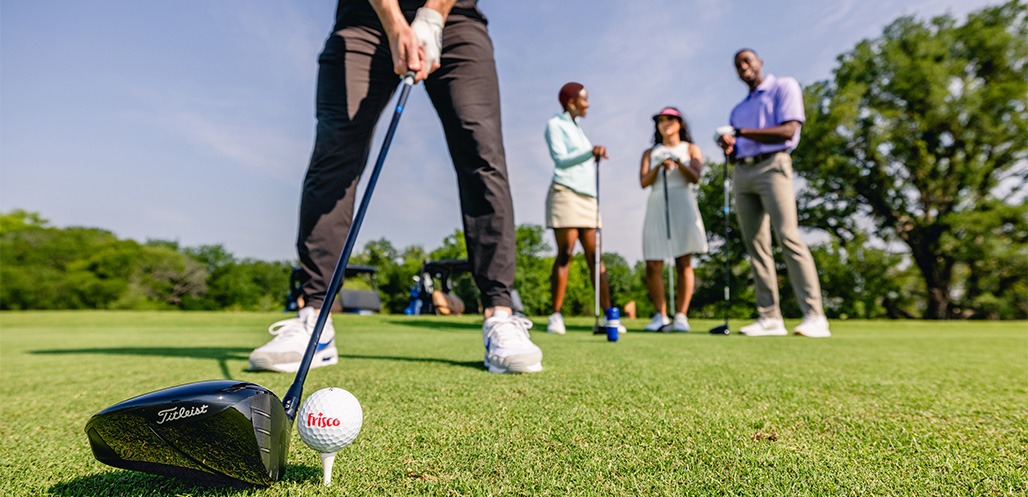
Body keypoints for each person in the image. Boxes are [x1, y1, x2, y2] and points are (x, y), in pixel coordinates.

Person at [249, 0, 544, 374]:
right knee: (334, 152)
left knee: (482, 154)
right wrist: (394, 22)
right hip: (365, 19)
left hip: (456, 19)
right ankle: (314, 318)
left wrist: (433, 13)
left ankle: (500, 313)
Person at [715, 48, 831, 338]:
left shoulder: (784, 86)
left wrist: (741, 133)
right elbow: (735, 150)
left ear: (759, 63)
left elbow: (788, 131)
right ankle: (769, 317)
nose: (743, 67)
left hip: (774, 165)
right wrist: (729, 147)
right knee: (756, 246)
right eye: (738, 64)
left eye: (747, 60)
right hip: (742, 172)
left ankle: (815, 316)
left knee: (788, 236)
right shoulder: (738, 109)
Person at [543, 82, 623, 336]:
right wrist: (590, 152)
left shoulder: (579, 130)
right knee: (566, 252)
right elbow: (560, 160)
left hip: (589, 198)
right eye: (584, 99)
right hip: (565, 192)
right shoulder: (555, 125)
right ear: (571, 102)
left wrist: (591, 154)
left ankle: (609, 316)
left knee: (595, 258)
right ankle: (556, 315)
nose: (588, 104)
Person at [639, 107, 708, 332]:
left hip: (682, 200)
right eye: (660, 120)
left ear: (679, 123)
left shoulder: (690, 148)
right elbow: (643, 181)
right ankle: (660, 314)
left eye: (670, 119)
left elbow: (695, 177)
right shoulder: (651, 152)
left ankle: (681, 315)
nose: (665, 123)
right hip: (658, 201)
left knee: (683, 261)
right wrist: (660, 165)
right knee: (653, 262)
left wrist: (679, 163)